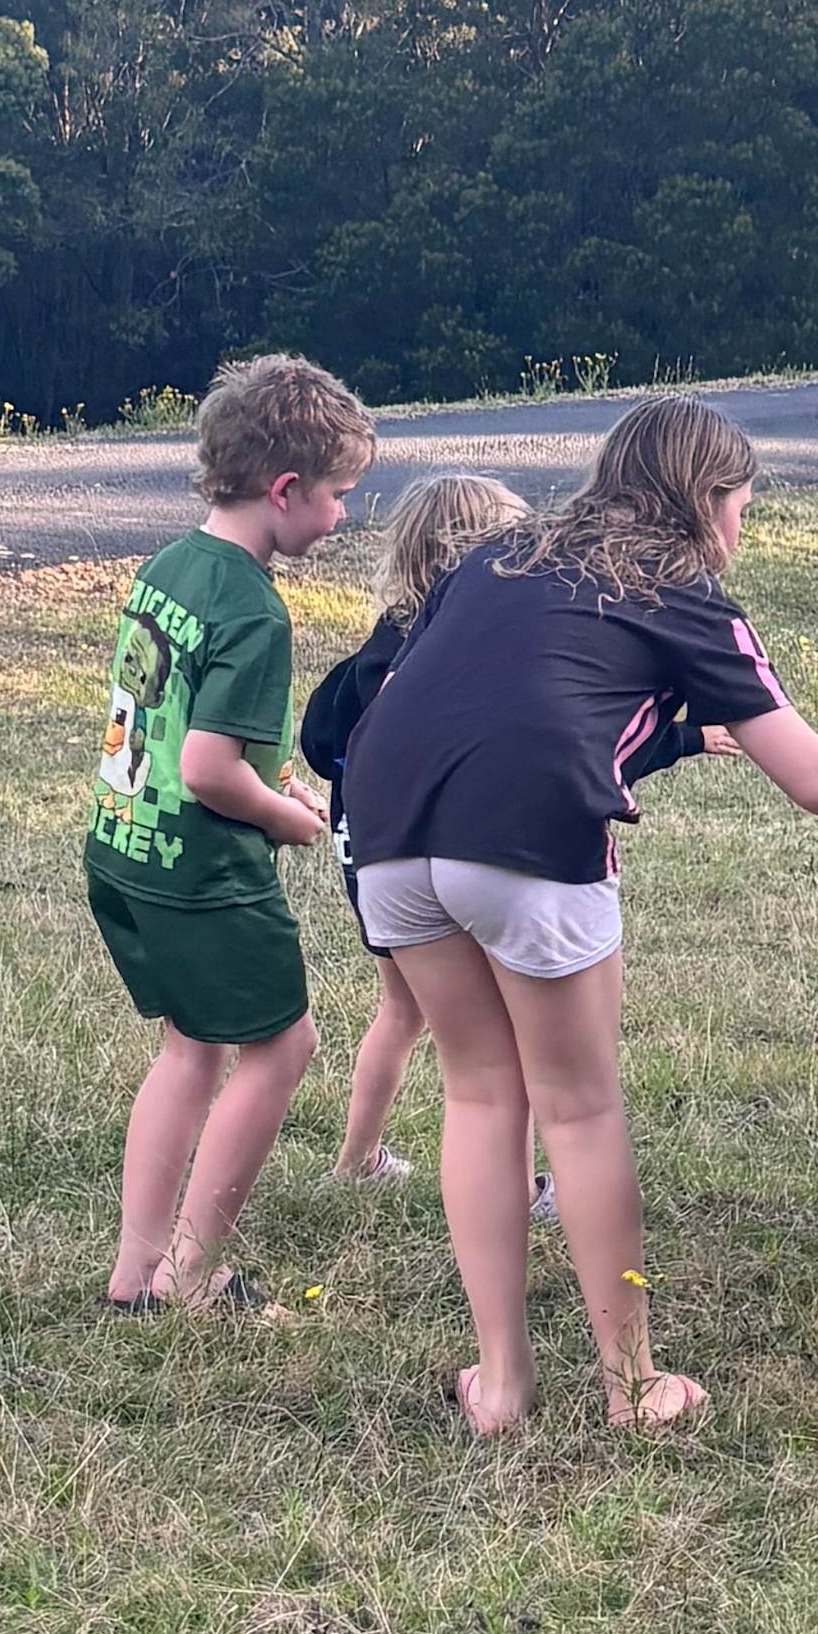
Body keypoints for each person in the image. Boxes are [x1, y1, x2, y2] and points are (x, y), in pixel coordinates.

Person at [338, 392, 818, 1435]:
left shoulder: (496, 555)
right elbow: (816, 776)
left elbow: (475, 689)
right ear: (700, 497)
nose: (740, 526)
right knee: (581, 1107)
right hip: (521, 835)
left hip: (380, 827)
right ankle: (633, 1384)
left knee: (477, 1093)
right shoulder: (681, 590)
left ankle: (501, 1385)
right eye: (739, 502)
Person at [85, 348, 378, 1310]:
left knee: (189, 1046)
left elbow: (169, 725)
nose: (342, 517)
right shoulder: (256, 608)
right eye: (337, 495)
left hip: (125, 848)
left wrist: (272, 783)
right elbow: (212, 772)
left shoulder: (172, 562)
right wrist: (287, 821)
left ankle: (135, 1272)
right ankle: (190, 1273)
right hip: (200, 872)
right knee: (282, 1050)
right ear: (284, 489)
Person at [301, 469, 533, 1188]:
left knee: (400, 1009)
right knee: (503, 1028)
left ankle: (357, 1160)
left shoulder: (377, 648)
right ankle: (518, 1189)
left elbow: (324, 742)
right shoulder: (456, 650)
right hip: (434, 852)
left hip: (366, 853)